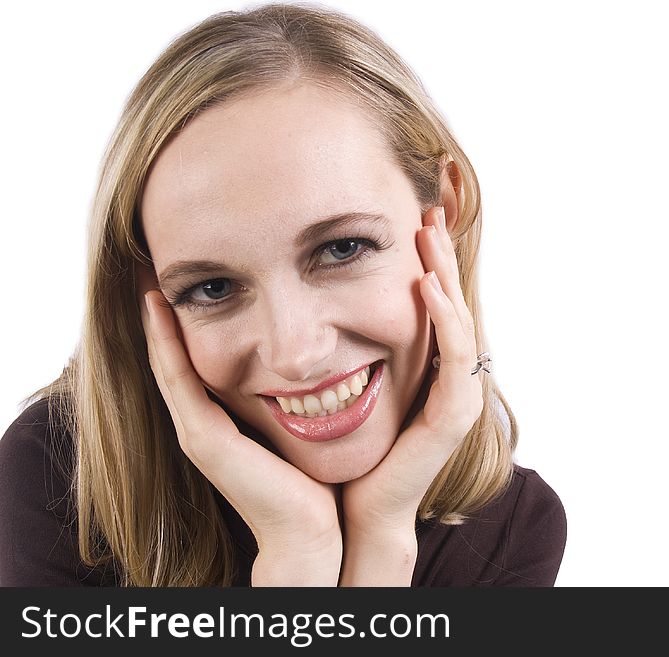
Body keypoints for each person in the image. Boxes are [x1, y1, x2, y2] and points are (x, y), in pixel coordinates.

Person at [0, 2, 566, 586]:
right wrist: (298, 553)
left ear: (442, 214)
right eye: (212, 288)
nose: (296, 353)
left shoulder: (512, 531)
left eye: (342, 248)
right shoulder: (62, 481)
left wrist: (381, 539)